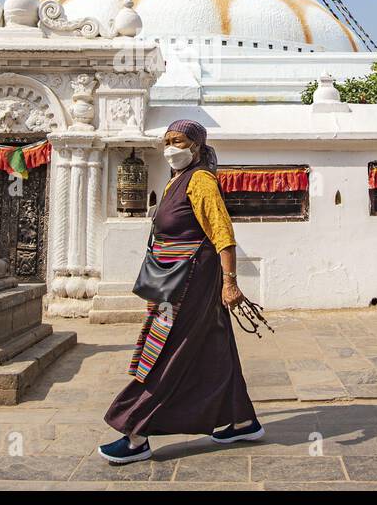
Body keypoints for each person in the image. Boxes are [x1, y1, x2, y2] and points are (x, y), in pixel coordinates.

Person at [99, 119, 263, 464]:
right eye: (167, 140)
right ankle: (240, 421)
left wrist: (230, 282)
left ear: (197, 147)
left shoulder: (201, 181)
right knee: (213, 346)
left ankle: (135, 434)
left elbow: (223, 235)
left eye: (179, 141)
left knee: (168, 349)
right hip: (173, 280)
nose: (171, 147)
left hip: (192, 281)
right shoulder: (177, 180)